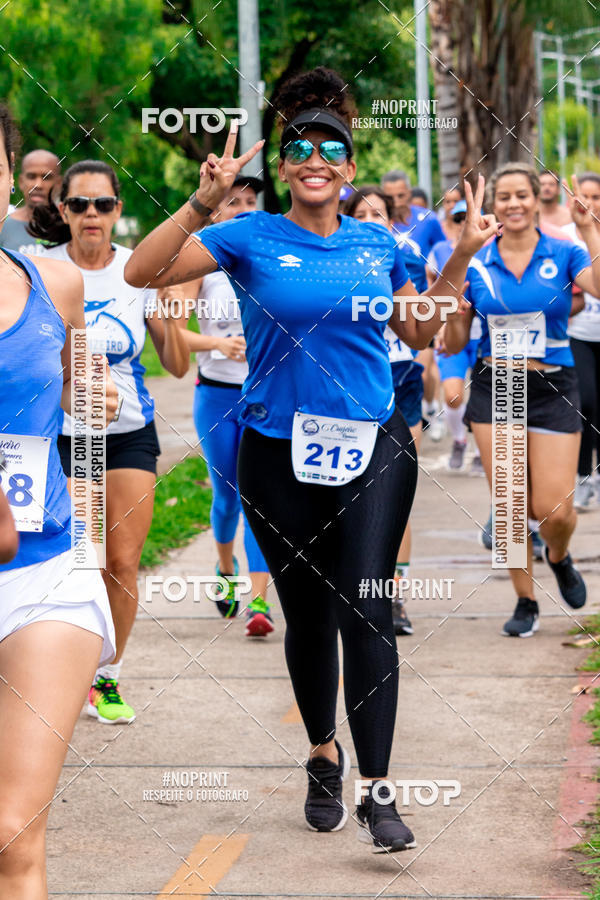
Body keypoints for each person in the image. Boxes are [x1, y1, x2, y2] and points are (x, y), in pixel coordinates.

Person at [125, 66, 499, 852]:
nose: (316, 157)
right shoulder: (248, 235)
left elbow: (421, 335)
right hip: (275, 446)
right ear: (285, 164)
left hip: (374, 442)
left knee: (367, 607)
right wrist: (202, 198)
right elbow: (143, 272)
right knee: (309, 615)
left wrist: (459, 258)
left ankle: (381, 792)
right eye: (301, 145)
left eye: (332, 145)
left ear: (350, 164)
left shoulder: (379, 240)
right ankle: (322, 753)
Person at [0, 106, 118, 897]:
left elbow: (74, 378)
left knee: (13, 824)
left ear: (8, 173)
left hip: (44, 575)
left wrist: (91, 390)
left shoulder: (56, 279)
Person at [31, 159, 190, 724]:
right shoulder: (38, 269)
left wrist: (171, 317)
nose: (91, 215)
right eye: (79, 205)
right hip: (61, 439)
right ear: (63, 211)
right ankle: (62, 675)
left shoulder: (139, 273)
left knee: (122, 562)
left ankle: (107, 677)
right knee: (80, 560)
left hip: (127, 437)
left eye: (102, 204)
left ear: (118, 211)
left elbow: (174, 366)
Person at [444, 163, 600, 637]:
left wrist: (590, 228)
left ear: (537, 200)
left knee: (555, 511)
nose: (512, 204)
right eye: (504, 197)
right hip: (498, 384)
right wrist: (455, 309)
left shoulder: (565, 251)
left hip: (553, 383)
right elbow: (452, 343)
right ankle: (525, 601)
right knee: (512, 504)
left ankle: (558, 554)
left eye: (521, 196)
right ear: (495, 206)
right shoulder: (475, 260)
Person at [176, 174, 273, 636]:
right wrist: (219, 344)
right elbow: (175, 333)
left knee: (257, 497)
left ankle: (258, 603)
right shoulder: (204, 265)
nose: (242, 208)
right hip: (214, 394)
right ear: (216, 212)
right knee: (227, 496)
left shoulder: (269, 264)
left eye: (251, 201)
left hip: (262, 396)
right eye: (232, 201)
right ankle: (223, 567)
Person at [345, 184, 425, 636]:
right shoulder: (334, 262)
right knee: (349, 494)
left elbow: (422, 325)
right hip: (352, 382)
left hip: (400, 377)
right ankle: (351, 590)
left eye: (381, 215)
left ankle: (393, 595)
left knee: (396, 493)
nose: (373, 222)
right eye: (362, 214)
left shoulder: (404, 260)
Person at [382, 171, 445, 441]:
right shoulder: (375, 221)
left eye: (401, 195)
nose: (396, 201)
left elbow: (442, 260)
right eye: (390, 196)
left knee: (418, 371)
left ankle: (427, 410)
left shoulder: (428, 221)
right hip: (382, 314)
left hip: (419, 309)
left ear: (410, 193)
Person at [428, 199, 483, 474]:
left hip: (484, 337)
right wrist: (438, 329)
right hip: (453, 330)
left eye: (469, 217)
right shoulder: (439, 250)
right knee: (452, 396)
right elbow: (432, 295)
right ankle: (459, 440)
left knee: (488, 398)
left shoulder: (490, 250)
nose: (464, 223)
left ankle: (480, 450)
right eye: (459, 218)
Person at [563, 172, 600, 509]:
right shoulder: (565, 239)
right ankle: (583, 476)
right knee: (585, 403)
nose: (589, 203)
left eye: (596, 196)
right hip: (579, 335)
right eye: (583, 196)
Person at [0, 148, 61, 254]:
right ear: (20, 181)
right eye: (31, 177)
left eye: (46, 178)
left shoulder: (69, 226)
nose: (38, 185)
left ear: (59, 183)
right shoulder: (3, 224)